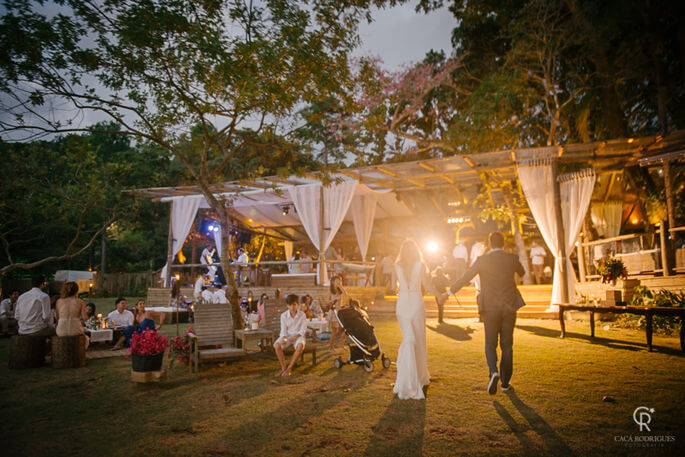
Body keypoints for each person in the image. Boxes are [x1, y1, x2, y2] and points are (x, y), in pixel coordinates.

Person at [440, 232, 525, 395]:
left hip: (490, 306)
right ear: (504, 244)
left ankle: (493, 372)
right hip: (509, 306)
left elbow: (464, 278)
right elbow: (522, 273)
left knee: (490, 343)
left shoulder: (482, 260)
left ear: (490, 244)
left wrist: (448, 293)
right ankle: (505, 383)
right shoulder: (512, 258)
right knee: (507, 345)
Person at [393, 240, 438, 400]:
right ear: (416, 251)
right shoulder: (420, 264)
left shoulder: (396, 265)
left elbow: (393, 287)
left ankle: (407, 377)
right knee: (419, 341)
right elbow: (427, 283)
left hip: (402, 304)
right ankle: (418, 377)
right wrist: (439, 295)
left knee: (408, 339)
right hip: (416, 302)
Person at [273, 294, 308, 377]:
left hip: (298, 336)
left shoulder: (302, 315)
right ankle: (283, 369)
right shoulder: (283, 316)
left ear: (297, 305)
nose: (292, 307)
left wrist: (295, 337)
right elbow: (283, 330)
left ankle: (289, 368)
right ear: (287, 306)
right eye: (290, 305)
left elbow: (303, 330)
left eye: (294, 304)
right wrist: (284, 338)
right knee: (277, 345)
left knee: (300, 346)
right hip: (287, 336)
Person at [55, 282, 89, 349]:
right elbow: (85, 318)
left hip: (61, 329)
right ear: (76, 291)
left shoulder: (59, 301)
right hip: (75, 329)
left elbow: (58, 318)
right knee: (86, 338)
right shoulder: (80, 301)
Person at [327, 274, 348, 352]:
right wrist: (334, 299)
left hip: (340, 311)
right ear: (332, 282)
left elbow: (346, 294)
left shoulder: (340, 290)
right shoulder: (330, 291)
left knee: (345, 329)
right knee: (335, 331)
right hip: (333, 312)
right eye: (337, 281)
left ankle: (340, 344)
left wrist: (340, 286)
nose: (338, 282)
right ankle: (331, 348)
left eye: (340, 281)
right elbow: (327, 302)